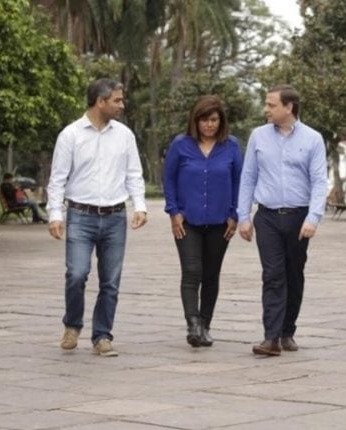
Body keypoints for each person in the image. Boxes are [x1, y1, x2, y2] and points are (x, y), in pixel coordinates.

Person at [47, 78, 148, 357]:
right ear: (100, 101)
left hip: (115, 216)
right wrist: (55, 214)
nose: (121, 105)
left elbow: (133, 174)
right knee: (76, 274)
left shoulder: (125, 135)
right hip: (81, 215)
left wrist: (140, 206)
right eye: (117, 100)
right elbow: (57, 179)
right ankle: (72, 324)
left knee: (110, 281)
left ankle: (102, 335)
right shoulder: (70, 135)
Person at [238, 84, 328, 356]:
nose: (266, 109)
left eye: (271, 105)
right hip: (267, 217)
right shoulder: (258, 136)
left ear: (289, 107)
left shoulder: (313, 139)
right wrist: (244, 216)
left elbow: (319, 182)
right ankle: (272, 337)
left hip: (299, 217)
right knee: (273, 275)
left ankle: (288, 330)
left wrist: (313, 217)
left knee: (294, 275)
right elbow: (248, 177)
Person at [163, 95, 243, 348]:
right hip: (188, 220)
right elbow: (169, 180)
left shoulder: (231, 146)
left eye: (214, 120)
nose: (209, 125)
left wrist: (235, 214)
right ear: (195, 121)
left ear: (221, 122)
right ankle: (193, 324)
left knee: (211, 274)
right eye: (204, 120)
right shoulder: (180, 145)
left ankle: (205, 324)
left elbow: (240, 181)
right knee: (192, 271)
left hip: (221, 222)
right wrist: (173, 211)